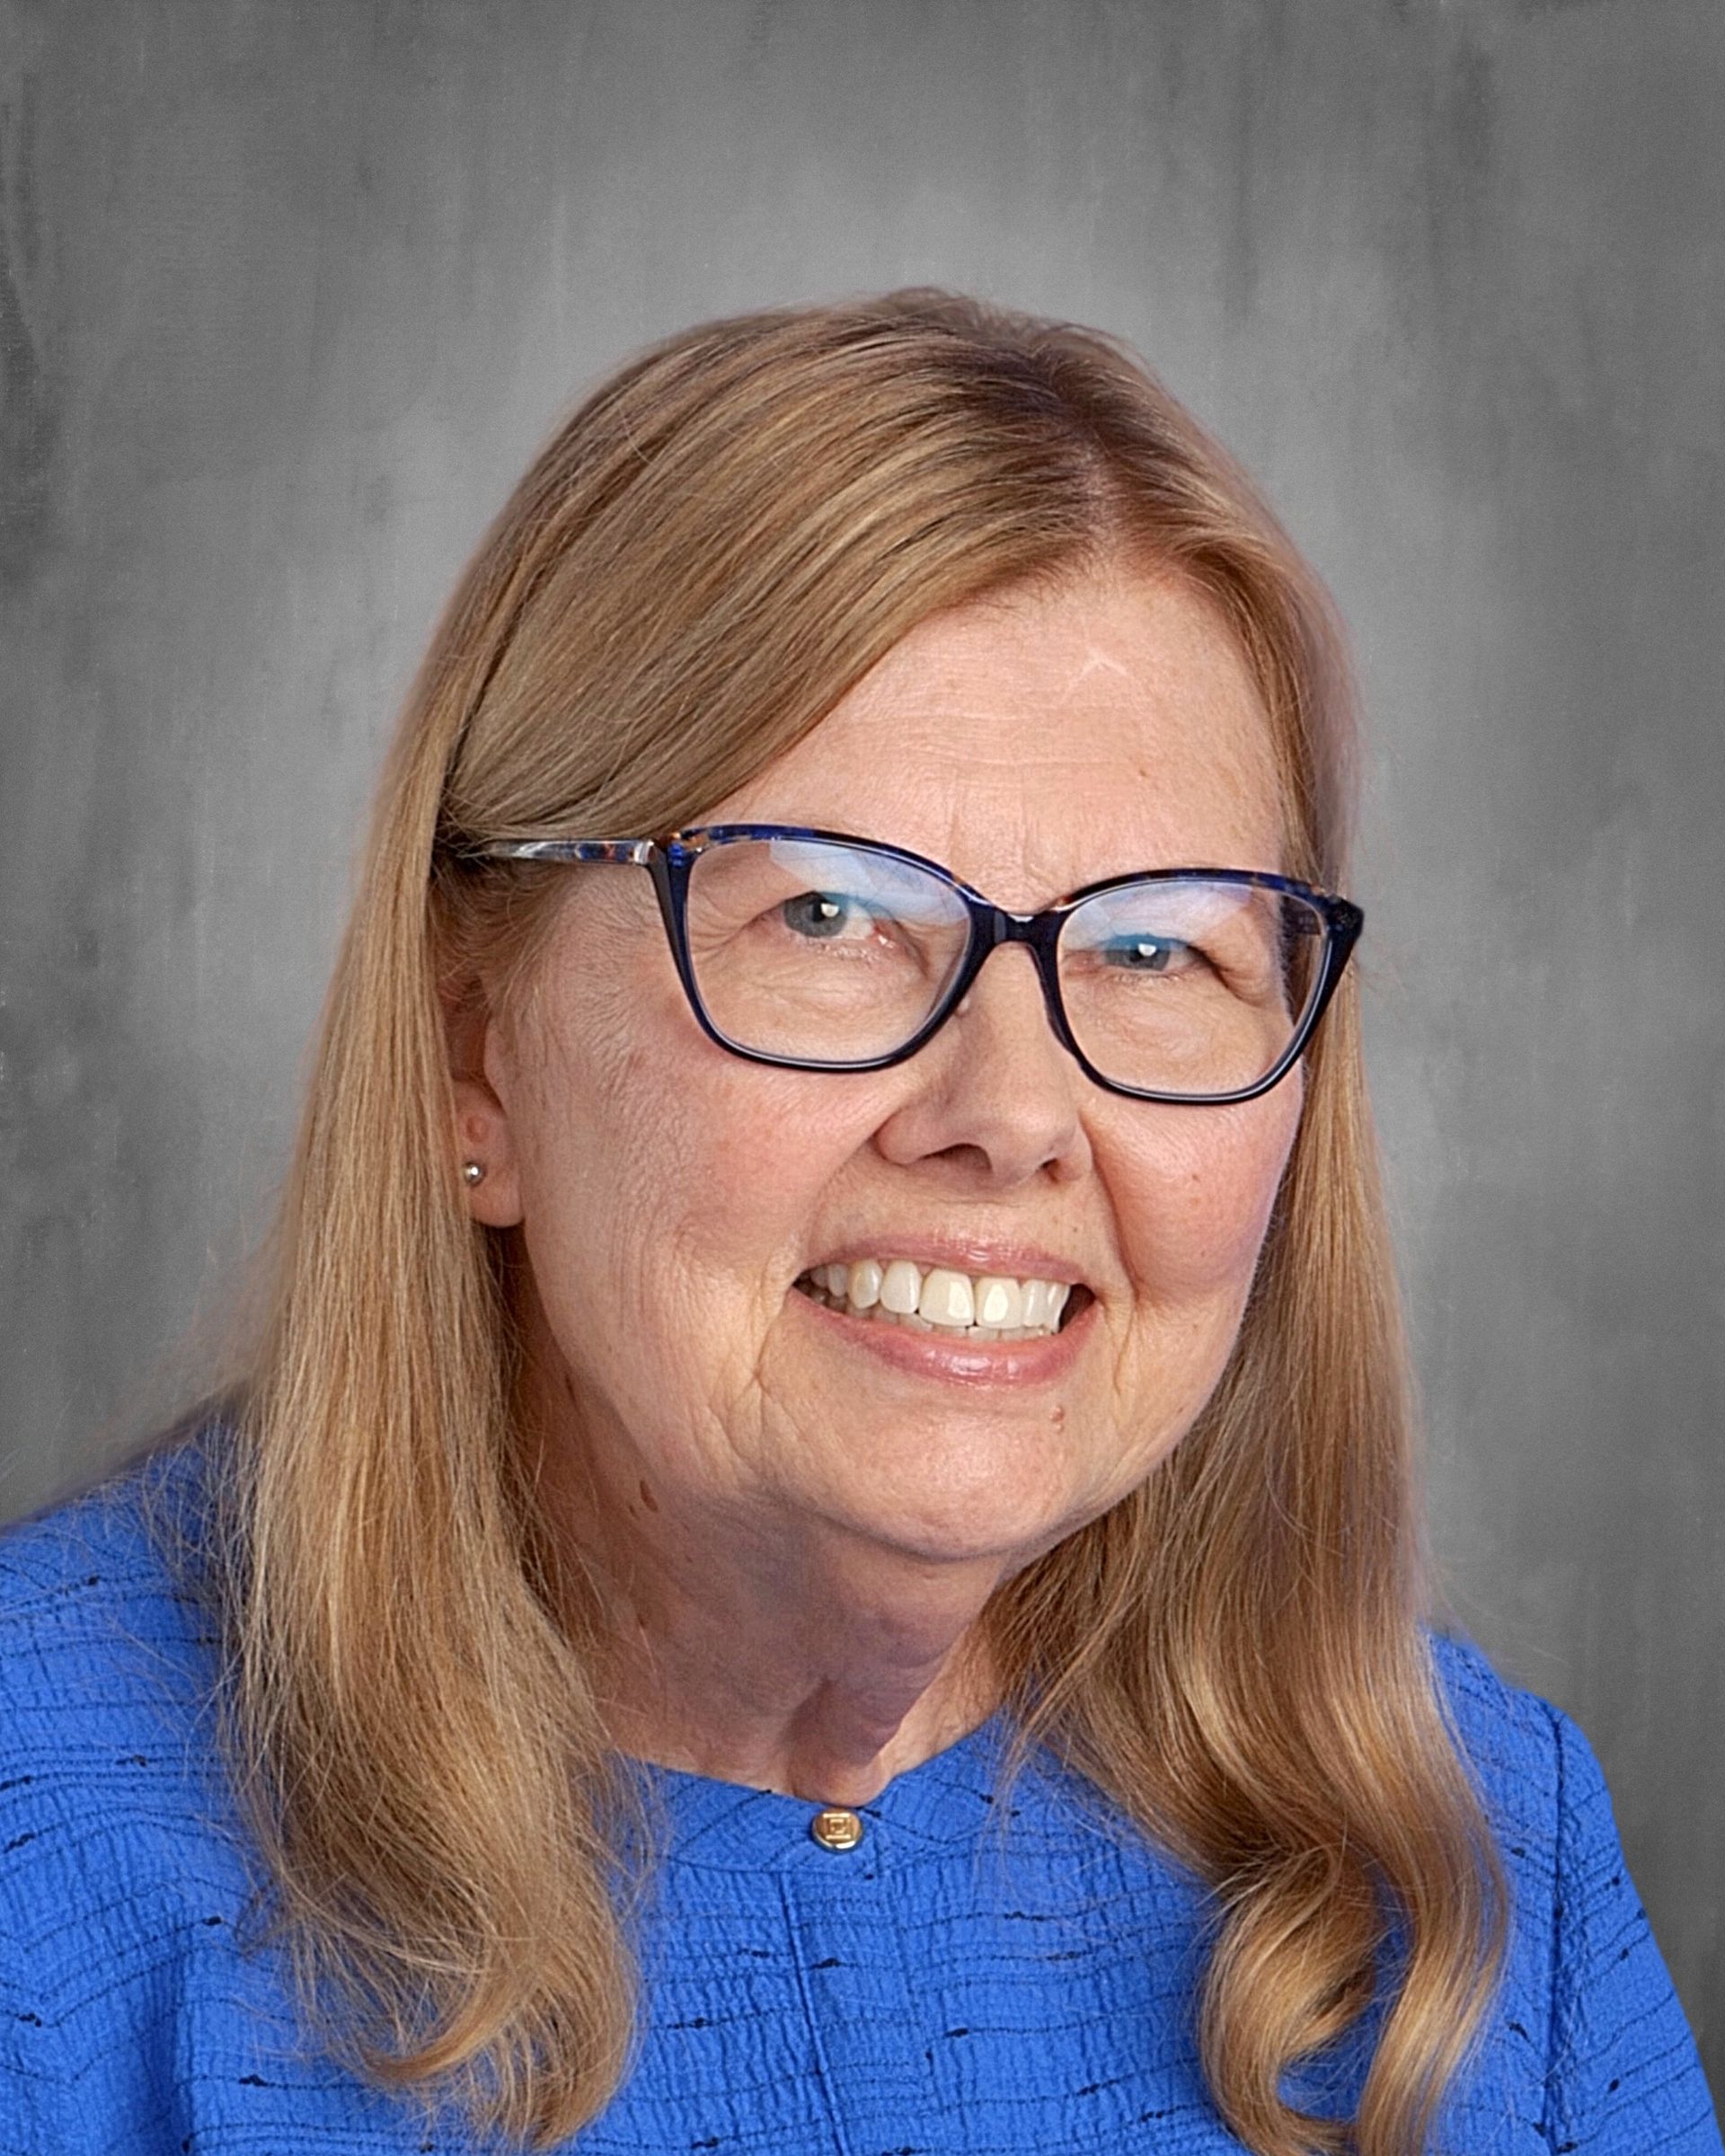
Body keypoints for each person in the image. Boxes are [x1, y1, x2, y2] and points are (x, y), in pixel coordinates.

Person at [0, 291, 1718, 2156]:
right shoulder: (49, 1838)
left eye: (1157, 947)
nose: (1007, 1120)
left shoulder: (1481, 1864)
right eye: (820, 917)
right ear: (471, 1055)